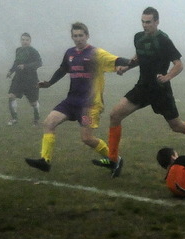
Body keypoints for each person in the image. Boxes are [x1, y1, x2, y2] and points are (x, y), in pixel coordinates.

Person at [92, 7, 185, 177]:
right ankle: (114, 160)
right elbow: (139, 58)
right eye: (143, 22)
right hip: (143, 87)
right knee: (115, 115)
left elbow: (178, 64)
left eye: (149, 22)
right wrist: (126, 67)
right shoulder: (138, 38)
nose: (145, 25)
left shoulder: (164, 40)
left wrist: (167, 78)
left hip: (160, 90)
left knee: (176, 125)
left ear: (157, 22)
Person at [24, 22, 130, 172]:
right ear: (72, 37)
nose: (78, 38)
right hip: (71, 101)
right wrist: (49, 83)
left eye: (81, 35)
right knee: (48, 123)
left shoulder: (96, 53)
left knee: (87, 138)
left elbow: (118, 60)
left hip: (89, 105)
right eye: (75, 36)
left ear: (87, 36)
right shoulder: (70, 53)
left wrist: (132, 63)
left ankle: (115, 159)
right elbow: (63, 69)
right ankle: (45, 161)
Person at [6, 33, 42, 126]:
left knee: (33, 102)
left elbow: (39, 63)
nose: (24, 41)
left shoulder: (33, 51)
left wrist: (25, 66)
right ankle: (14, 119)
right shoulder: (18, 50)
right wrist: (11, 71)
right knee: (11, 96)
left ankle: (36, 120)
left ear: (30, 41)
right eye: (23, 40)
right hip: (18, 78)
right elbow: (16, 62)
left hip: (31, 79)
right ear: (20, 41)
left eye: (26, 40)